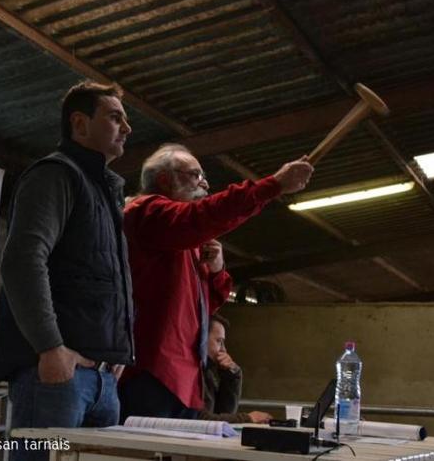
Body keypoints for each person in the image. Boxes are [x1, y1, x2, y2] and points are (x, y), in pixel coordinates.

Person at [0, 81, 134, 461]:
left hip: (101, 379)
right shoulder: (55, 175)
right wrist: (50, 347)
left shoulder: (104, 190)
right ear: (80, 124)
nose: (127, 128)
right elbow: (22, 259)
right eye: (116, 117)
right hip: (58, 377)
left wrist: (113, 353)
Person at [119, 143, 313, 420]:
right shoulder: (146, 212)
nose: (205, 183)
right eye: (195, 175)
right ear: (164, 179)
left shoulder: (183, 238)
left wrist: (217, 270)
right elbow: (205, 215)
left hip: (181, 378)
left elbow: (205, 307)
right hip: (154, 373)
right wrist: (273, 185)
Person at [199, 314, 272, 423]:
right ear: (202, 339)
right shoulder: (189, 374)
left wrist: (232, 376)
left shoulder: (207, 373)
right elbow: (200, 420)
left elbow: (223, 414)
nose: (223, 349)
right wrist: (248, 418)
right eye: (219, 341)